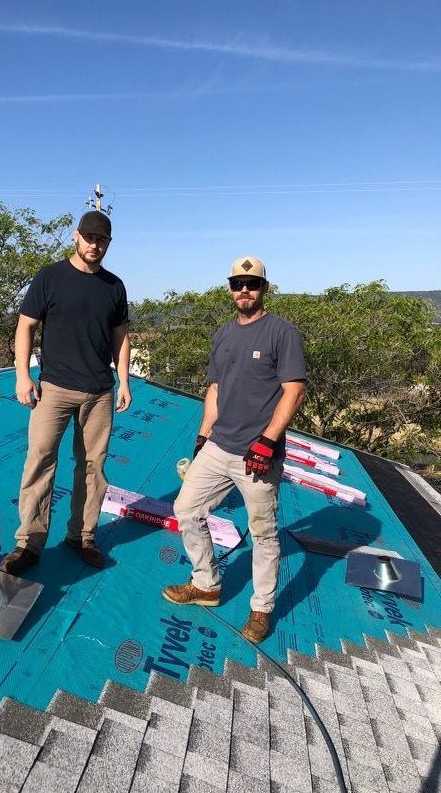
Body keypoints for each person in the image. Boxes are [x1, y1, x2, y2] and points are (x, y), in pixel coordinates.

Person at [163, 256, 306, 643]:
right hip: (218, 445)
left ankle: (261, 609)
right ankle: (207, 584)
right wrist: (201, 437)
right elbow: (215, 389)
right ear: (229, 288)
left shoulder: (282, 332)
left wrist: (268, 440)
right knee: (186, 509)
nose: (245, 289)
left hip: (257, 454)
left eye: (253, 283)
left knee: (263, 534)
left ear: (265, 288)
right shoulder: (223, 334)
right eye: (238, 282)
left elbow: (294, 391)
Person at [1, 210, 131, 574]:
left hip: (99, 391)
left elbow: (120, 336)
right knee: (40, 461)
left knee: (93, 467)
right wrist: (22, 375)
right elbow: (25, 326)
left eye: (102, 239)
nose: (95, 244)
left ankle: (82, 536)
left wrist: (124, 380)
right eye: (89, 237)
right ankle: (29, 543)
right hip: (54, 389)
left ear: (108, 243)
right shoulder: (50, 277)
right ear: (76, 236)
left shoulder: (114, 286)